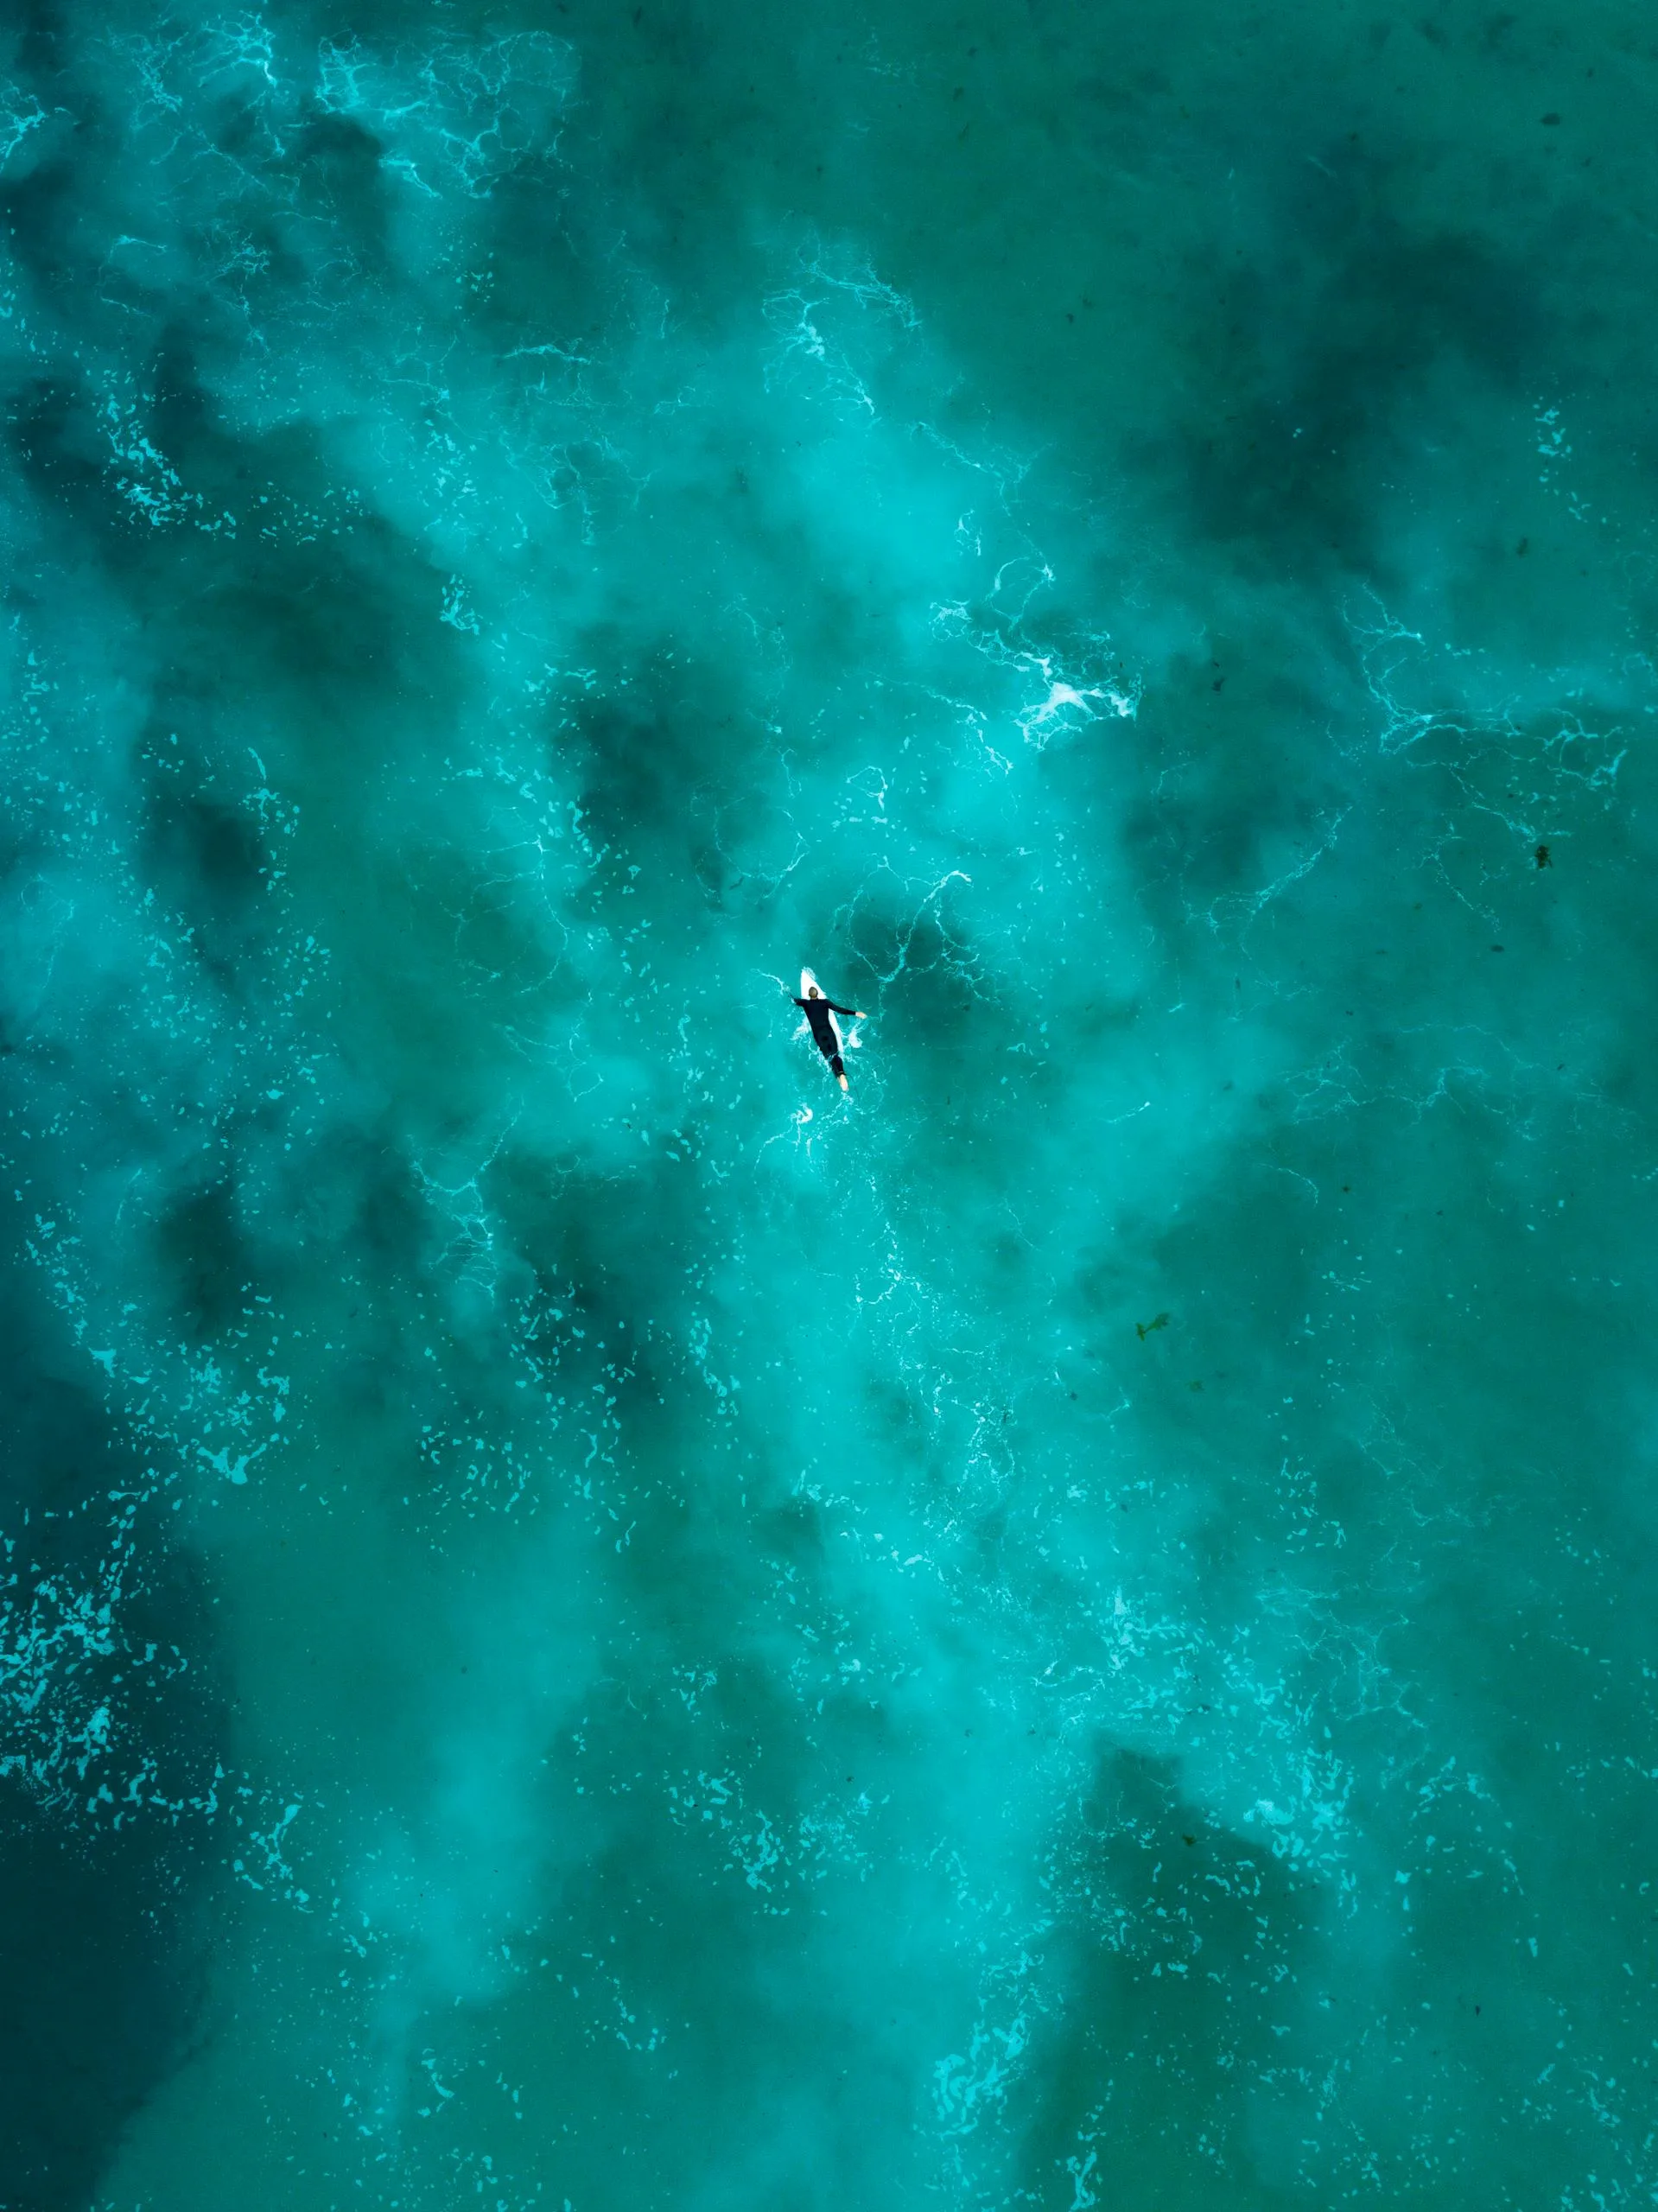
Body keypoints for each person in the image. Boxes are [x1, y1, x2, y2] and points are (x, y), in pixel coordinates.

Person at [794, 982, 867, 1091]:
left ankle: (840, 1078)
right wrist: (856, 1013)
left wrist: (787, 992)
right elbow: (840, 1010)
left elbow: (795, 1000)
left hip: (819, 1036)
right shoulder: (825, 1003)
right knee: (835, 1055)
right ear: (818, 994)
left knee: (830, 1057)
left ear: (809, 996)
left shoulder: (805, 1003)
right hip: (829, 1033)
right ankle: (841, 1073)